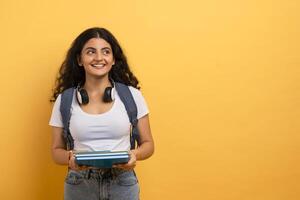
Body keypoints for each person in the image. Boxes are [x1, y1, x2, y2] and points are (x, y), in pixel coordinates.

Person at [49, 27, 154, 200]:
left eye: (106, 52)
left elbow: (149, 144)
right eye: (91, 52)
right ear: (79, 60)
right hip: (80, 183)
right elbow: (55, 151)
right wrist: (70, 158)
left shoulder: (132, 96)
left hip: (123, 182)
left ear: (113, 60)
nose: (99, 58)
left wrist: (134, 155)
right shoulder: (65, 100)